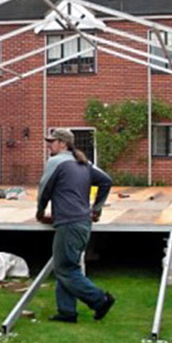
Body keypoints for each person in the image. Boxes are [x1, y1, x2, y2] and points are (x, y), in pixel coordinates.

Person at [36, 128, 115, 323]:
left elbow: (44, 189)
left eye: (52, 142)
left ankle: (100, 300)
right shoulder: (84, 163)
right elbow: (106, 181)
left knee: (65, 269)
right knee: (68, 267)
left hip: (69, 223)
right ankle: (67, 312)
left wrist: (40, 212)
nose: (48, 145)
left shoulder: (55, 162)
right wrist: (96, 209)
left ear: (63, 144)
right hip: (82, 223)